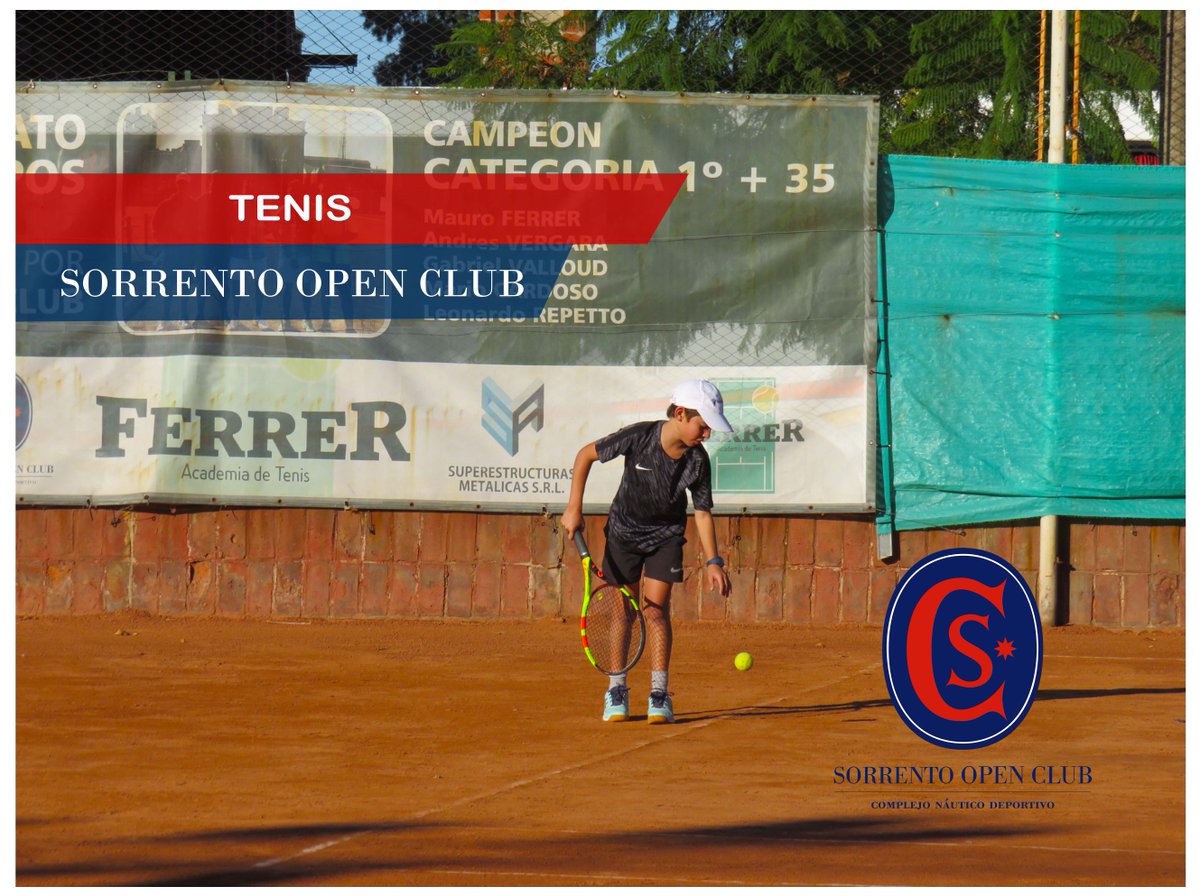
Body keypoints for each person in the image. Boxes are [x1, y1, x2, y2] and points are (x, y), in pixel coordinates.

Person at [561, 378, 734, 724]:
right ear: (680, 414)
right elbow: (585, 456)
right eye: (702, 426)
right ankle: (616, 690)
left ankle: (659, 694)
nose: (706, 435)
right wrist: (573, 507)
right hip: (623, 535)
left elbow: (702, 512)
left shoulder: (698, 461)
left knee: (655, 612)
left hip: (666, 539)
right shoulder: (639, 436)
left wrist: (713, 560)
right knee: (623, 613)